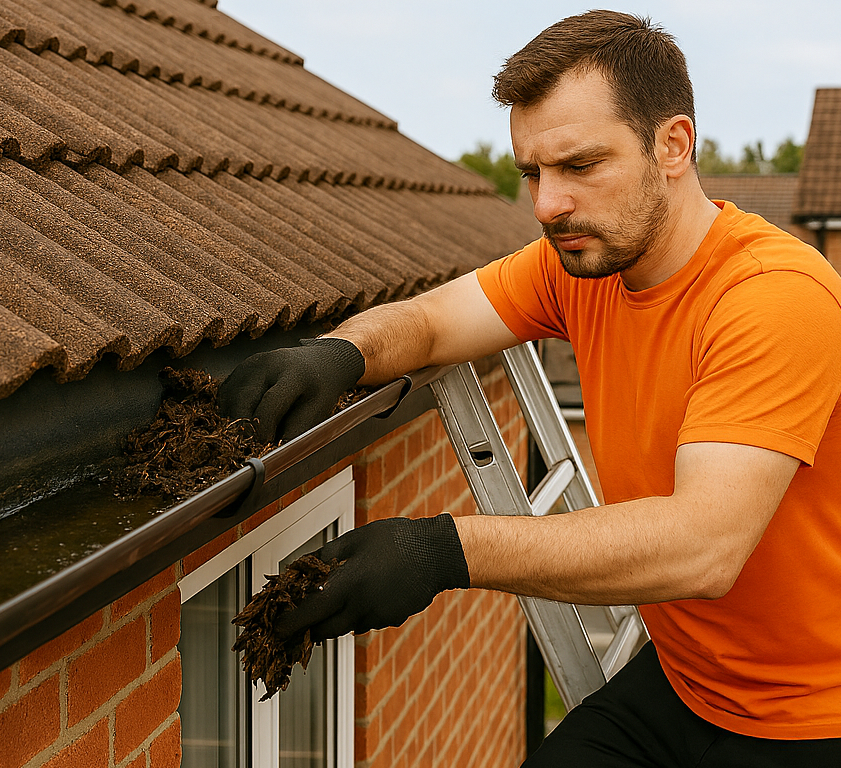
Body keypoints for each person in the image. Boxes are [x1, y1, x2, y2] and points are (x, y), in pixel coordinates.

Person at [218, 10, 841, 767]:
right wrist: (341, 354)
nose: (547, 205)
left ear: (673, 145)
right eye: (534, 173)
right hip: (684, 682)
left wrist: (439, 551)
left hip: (811, 716)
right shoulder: (585, 263)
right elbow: (434, 320)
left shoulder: (774, 295)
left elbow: (703, 547)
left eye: (580, 167)